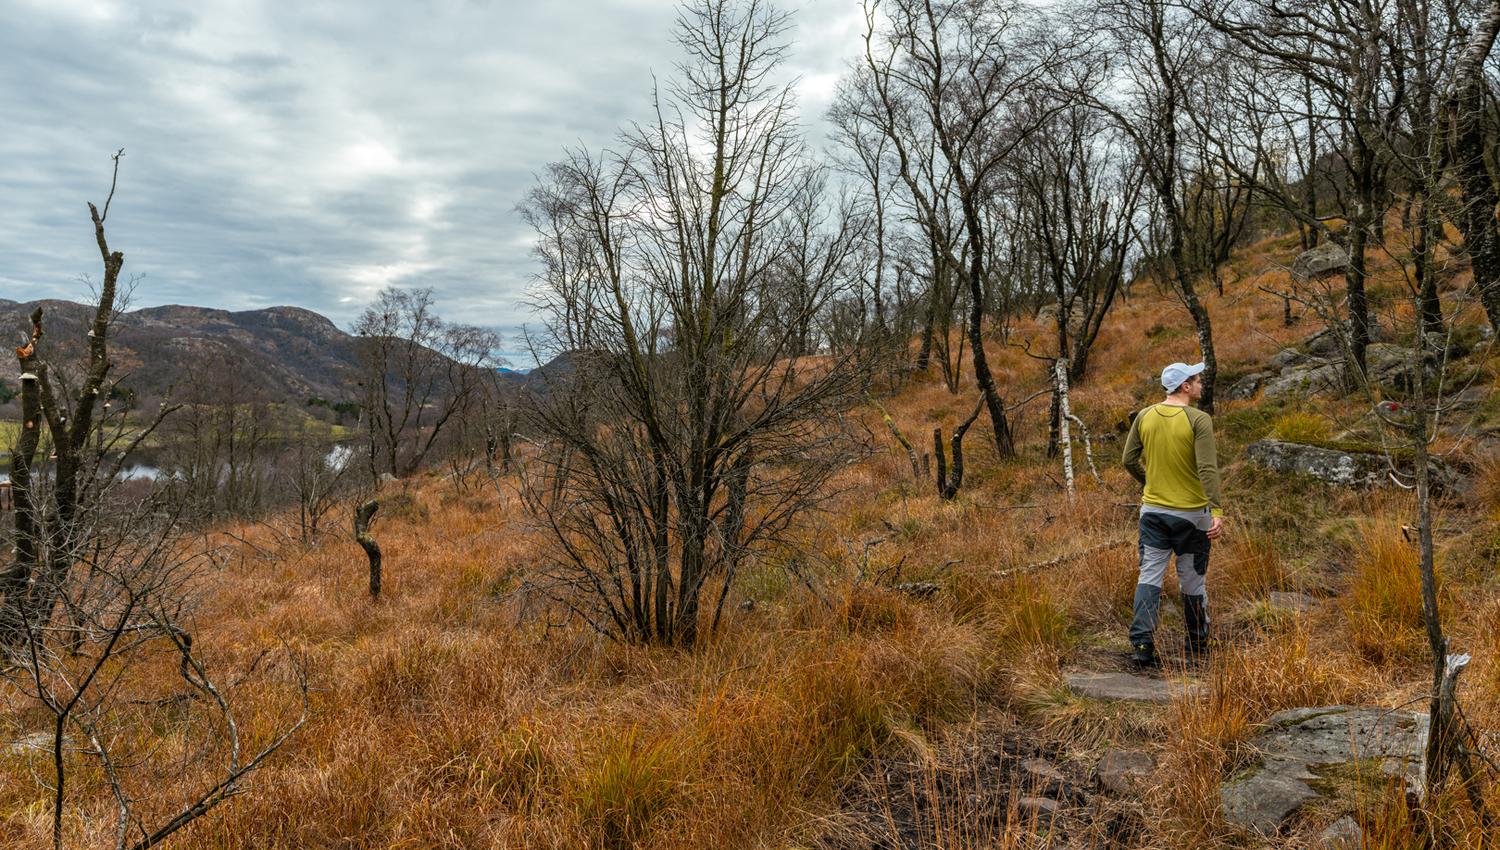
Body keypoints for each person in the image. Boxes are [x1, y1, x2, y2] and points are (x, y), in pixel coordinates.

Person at [1120, 361, 1224, 668]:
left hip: (1152, 512)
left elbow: (1128, 460)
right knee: (1192, 581)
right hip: (1192, 515)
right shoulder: (1198, 420)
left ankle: (1142, 645)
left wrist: (1149, 482)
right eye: (1197, 379)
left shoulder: (1144, 416)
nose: (1201, 382)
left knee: (1150, 575)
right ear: (1185, 387)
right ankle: (1197, 642)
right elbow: (1207, 468)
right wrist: (1216, 509)